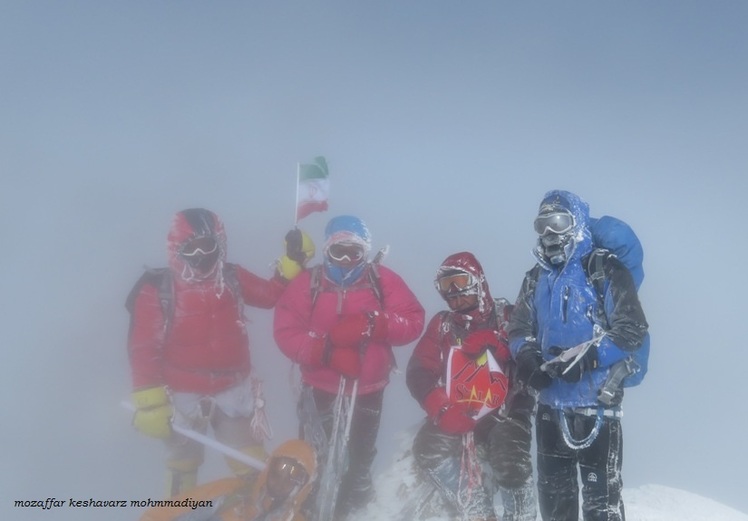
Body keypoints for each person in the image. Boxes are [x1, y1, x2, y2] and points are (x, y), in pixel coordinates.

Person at [127, 208, 314, 497]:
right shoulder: (157, 289)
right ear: (179, 249)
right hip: (182, 396)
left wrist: (291, 263)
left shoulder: (231, 277)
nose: (202, 254)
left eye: (209, 245)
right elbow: (144, 347)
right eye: (193, 247)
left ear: (220, 244)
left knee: (249, 461)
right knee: (182, 464)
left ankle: (258, 510)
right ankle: (177, 514)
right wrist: (150, 402)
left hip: (232, 391)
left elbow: (269, 295)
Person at [507, 190, 649, 521]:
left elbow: (631, 329)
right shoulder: (535, 277)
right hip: (550, 409)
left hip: (597, 407)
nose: (549, 233)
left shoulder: (603, 268)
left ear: (577, 224)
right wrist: (527, 359)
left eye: (558, 223)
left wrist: (587, 359)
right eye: (542, 225)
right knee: (555, 505)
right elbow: (518, 330)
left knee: (602, 506)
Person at [273, 215, 425, 520]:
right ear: (326, 251)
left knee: (360, 453)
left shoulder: (381, 281)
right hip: (320, 386)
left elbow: (412, 319)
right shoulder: (310, 284)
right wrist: (325, 351)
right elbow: (286, 330)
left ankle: (354, 506)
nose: (345, 260)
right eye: (337, 251)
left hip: (368, 388)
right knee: (314, 455)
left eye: (353, 252)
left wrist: (376, 323)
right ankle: (309, 506)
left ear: (365, 253)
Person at [406, 252, 537, 521]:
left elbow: (530, 354)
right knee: (427, 448)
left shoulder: (506, 316)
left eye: (460, 281)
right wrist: (441, 409)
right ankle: (475, 505)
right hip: (460, 408)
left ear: (478, 282)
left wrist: (501, 344)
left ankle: (520, 515)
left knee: (508, 457)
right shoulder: (444, 325)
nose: (453, 292)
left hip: (506, 409)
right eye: (446, 286)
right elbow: (419, 371)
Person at [139, 439, 317, 521]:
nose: (281, 481)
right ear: (269, 468)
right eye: (279, 470)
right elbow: (160, 514)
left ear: (303, 486)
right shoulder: (231, 493)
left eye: (293, 477)